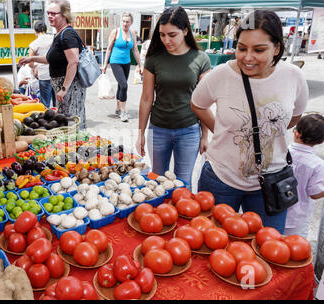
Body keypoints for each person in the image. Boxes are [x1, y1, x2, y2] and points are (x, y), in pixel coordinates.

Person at [190, 10, 309, 233]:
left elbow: (295, 116)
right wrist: (220, 130)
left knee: (268, 250)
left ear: (277, 47)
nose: (247, 57)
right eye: (241, 48)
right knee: (211, 246)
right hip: (220, 178)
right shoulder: (221, 75)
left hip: (271, 182)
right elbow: (197, 103)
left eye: (259, 49)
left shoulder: (294, 76)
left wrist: (268, 133)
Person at [135, 6, 211, 189]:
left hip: (189, 130)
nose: (166, 40)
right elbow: (146, 99)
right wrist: (140, 133)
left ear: (185, 30)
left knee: (183, 183)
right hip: (158, 129)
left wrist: (205, 136)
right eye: (162, 35)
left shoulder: (201, 59)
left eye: (172, 35)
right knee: (157, 182)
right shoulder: (154, 59)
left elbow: (204, 102)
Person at [18, 0, 86, 129]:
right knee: (64, 122)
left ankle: (77, 146)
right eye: (48, 13)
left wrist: (64, 88)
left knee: (72, 122)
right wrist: (31, 58)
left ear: (64, 15)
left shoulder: (68, 35)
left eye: (53, 13)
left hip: (70, 88)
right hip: (62, 88)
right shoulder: (59, 34)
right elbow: (51, 59)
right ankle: (69, 146)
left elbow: (73, 61)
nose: (49, 16)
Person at [284, 114, 324, 238]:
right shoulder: (317, 165)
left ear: (295, 133)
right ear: (321, 141)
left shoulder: (282, 152)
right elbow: (315, 193)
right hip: (297, 219)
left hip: (272, 211)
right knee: (294, 252)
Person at [101, 12, 143, 122]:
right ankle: (123, 112)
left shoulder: (132, 33)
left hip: (127, 63)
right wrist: (105, 64)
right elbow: (109, 48)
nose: (125, 23)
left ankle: (118, 109)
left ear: (131, 22)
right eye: (123, 21)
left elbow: (135, 50)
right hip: (115, 62)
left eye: (127, 22)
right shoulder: (115, 32)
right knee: (124, 85)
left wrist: (140, 65)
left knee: (121, 85)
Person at [28, 21, 55, 108]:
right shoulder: (54, 39)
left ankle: (46, 120)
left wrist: (34, 69)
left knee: (45, 103)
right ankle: (59, 119)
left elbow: (30, 63)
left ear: (35, 31)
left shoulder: (34, 44)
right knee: (58, 102)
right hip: (57, 73)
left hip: (44, 75)